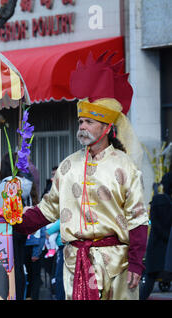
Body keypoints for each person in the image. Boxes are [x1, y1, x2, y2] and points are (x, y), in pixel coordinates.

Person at [13, 52, 149, 300]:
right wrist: (10, 218)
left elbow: (138, 220)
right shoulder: (67, 166)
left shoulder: (125, 166)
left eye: (89, 122)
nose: (82, 127)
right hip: (74, 264)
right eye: (80, 122)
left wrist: (137, 263)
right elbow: (46, 210)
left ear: (107, 127)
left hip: (117, 267)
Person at [0, 152, 34, 300]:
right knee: (19, 265)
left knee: (12, 267)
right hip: (22, 228)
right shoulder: (23, 183)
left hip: (9, 228)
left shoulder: (7, 183)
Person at [140, 171, 172, 299]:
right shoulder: (168, 203)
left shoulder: (157, 201)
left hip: (155, 247)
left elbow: (154, 224)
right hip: (166, 248)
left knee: (149, 280)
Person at [47, 219, 65, 300]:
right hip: (62, 248)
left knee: (59, 276)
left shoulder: (62, 219)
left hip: (63, 248)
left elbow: (49, 231)